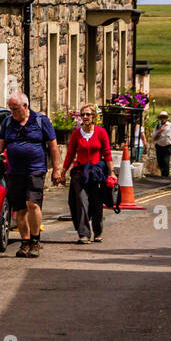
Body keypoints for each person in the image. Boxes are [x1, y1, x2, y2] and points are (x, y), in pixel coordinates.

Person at [0, 92, 61, 258]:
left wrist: (57, 169)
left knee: (33, 204)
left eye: (15, 109)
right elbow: (1, 143)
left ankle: (35, 241)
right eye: (10, 109)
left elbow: (53, 146)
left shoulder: (41, 121)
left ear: (25, 106)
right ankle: (24, 243)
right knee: (19, 209)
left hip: (36, 169)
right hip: (15, 171)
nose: (12, 113)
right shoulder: (8, 122)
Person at [57, 103, 113, 244]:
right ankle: (84, 234)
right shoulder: (76, 133)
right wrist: (63, 172)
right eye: (83, 114)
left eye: (88, 114)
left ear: (94, 116)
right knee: (81, 202)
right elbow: (70, 154)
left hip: (96, 173)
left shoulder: (101, 132)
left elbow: (107, 153)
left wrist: (111, 173)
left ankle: (98, 231)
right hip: (80, 173)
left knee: (96, 203)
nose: (85, 117)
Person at [153, 112, 171, 179]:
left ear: (167, 118)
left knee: (166, 161)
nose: (163, 119)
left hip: (168, 146)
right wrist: (160, 131)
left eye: (164, 117)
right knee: (160, 162)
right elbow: (153, 137)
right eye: (161, 117)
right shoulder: (157, 126)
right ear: (160, 118)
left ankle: (165, 177)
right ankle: (163, 174)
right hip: (159, 146)